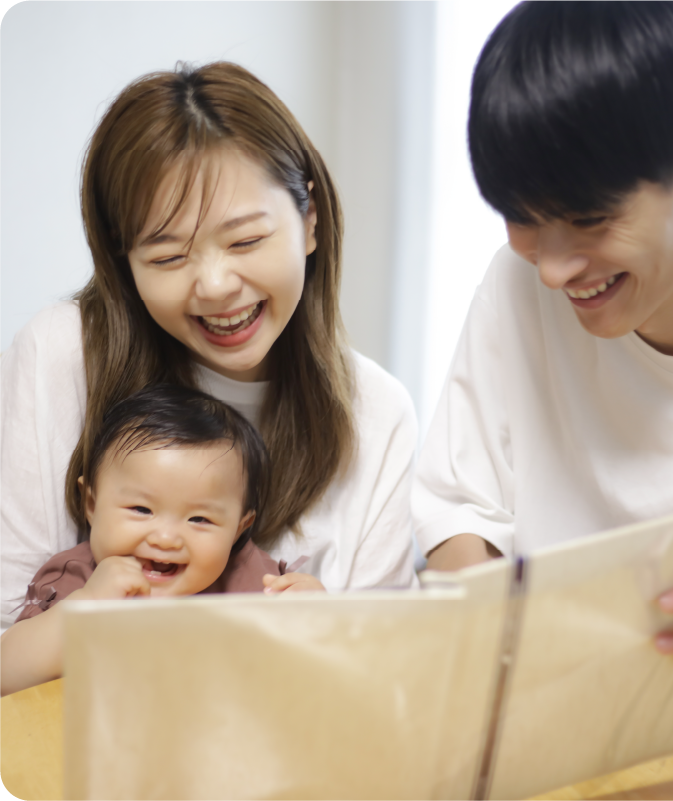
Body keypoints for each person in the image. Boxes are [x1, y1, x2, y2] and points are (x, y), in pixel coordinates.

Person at [413, 0, 673, 713]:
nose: (552, 269)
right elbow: (459, 507)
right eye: (522, 218)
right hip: (546, 736)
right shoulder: (516, 287)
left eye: (590, 219)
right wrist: (483, 631)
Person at [0, 62, 418, 637]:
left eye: (246, 240)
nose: (216, 286)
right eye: (169, 256)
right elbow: (8, 630)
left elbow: (385, 654)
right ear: (125, 260)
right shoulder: (64, 355)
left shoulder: (376, 413)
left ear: (310, 220)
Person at [0, 384, 325, 695]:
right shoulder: (79, 578)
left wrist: (319, 622)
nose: (167, 539)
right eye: (141, 509)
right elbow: (6, 675)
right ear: (92, 505)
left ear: (239, 529)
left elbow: (315, 681)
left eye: (199, 519)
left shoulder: (256, 583)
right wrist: (89, 604)